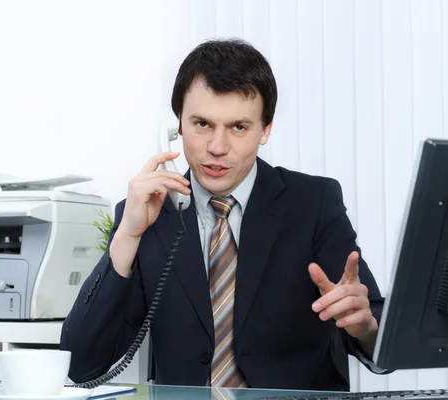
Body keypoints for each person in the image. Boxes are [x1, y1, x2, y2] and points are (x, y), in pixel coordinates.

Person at [60, 38, 387, 391]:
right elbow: (80, 365)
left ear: (266, 129)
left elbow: (377, 331)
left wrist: (366, 327)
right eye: (202, 124)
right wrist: (127, 236)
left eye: (238, 127)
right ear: (178, 125)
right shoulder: (148, 214)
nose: (217, 147)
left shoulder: (314, 202)